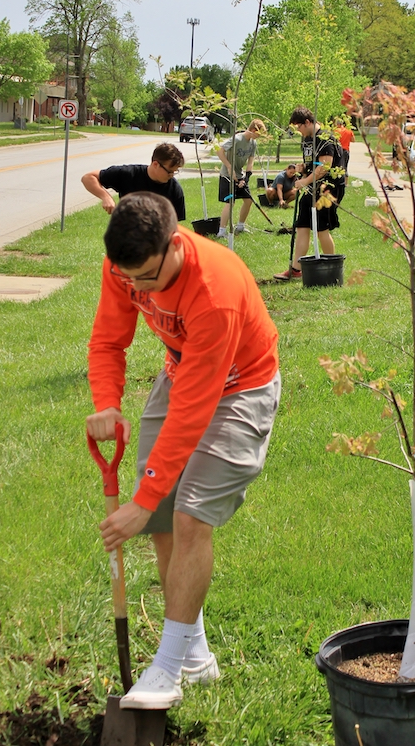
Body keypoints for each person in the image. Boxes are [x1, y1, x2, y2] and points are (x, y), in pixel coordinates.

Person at [86, 193, 280, 710]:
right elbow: (108, 340)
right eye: (129, 279)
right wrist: (107, 403)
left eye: (147, 278)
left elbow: (194, 411)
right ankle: (195, 655)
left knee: (190, 512)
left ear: (175, 244)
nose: (137, 289)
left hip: (241, 387)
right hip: (181, 372)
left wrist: (143, 498)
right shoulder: (126, 266)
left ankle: (168, 668)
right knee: (164, 520)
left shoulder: (215, 290)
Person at [274, 107, 345, 281]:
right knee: (302, 227)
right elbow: (311, 164)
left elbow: (324, 167)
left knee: (321, 229)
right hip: (310, 187)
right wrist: (302, 168)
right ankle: (296, 269)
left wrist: (304, 181)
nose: (299, 131)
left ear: (307, 122)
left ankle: (332, 270)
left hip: (327, 188)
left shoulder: (325, 139)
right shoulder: (306, 139)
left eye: (299, 127)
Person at [81, 142, 186, 220]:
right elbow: (88, 178)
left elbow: (174, 226)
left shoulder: (174, 190)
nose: (172, 176)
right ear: (155, 164)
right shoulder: (129, 174)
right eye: (169, 171)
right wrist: (106, 197)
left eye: (174, 172)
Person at [215, 120, 266, 237]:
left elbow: (250, 162)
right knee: (230, 202)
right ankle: (221, 231)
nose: (259, 137)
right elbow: (219, 150)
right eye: (259, 134)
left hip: (240, 175)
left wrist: (246, 179)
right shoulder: (237, 139)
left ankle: (240, 226)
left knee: (248, 201)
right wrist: (229, 167)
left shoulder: (253, 143)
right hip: (227, 175)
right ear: (253, 131)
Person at [333, 119, 355, 185]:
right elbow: (353, 140)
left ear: (338, 124)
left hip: (338, 150)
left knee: (337, 166)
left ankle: (337, 181)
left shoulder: (335, 131)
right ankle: (346, 183)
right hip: (346, 150)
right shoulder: (349, 131)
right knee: (345, 166)